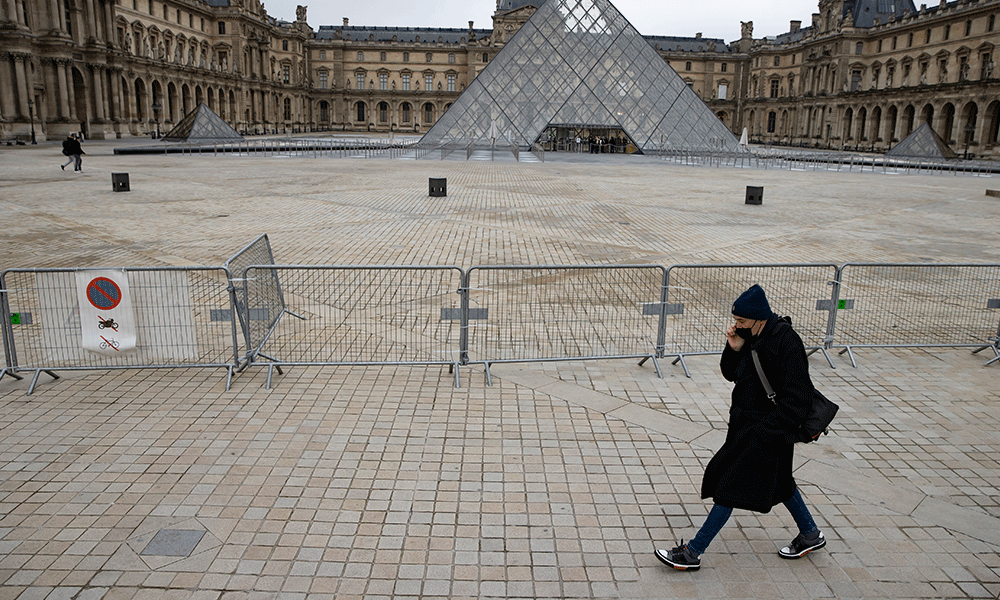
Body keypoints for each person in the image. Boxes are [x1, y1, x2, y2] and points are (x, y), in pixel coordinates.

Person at [655, 284, 826, 571]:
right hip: (745, 427)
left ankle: (692, 552)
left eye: (742, 321)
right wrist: (734, 349)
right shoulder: (750, 335)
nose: (737, 325)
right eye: (735, 320)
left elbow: (798, 398)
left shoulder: (786, 341)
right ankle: (810, 534)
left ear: (760, 317)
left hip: (768, 432)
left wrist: (766, 431)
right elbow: (731, 374)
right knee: (782, 482)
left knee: (729, 488)